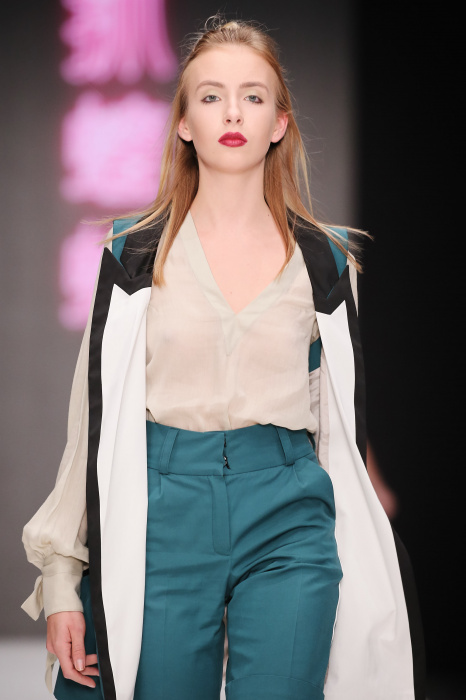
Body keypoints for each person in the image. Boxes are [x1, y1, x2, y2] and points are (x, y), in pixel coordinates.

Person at [20, 15, 424, 700]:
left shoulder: (327, 262)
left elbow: (335, 416)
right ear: (184, 123)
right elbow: (92, 422)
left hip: (289, 512)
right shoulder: (132, 256)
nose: (232, 112)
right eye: (211, 96)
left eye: (253, 96)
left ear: (280, 123)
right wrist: (62, 576)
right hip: (162, 512)